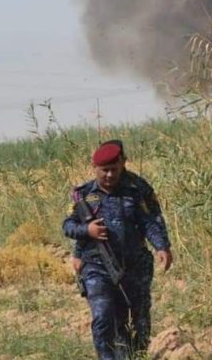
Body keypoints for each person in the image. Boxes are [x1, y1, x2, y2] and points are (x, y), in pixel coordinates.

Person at [64, 141, 173, 359]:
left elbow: (149, 221)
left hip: (133, 264)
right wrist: (88, 230)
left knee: (136, 317)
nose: (110, 175)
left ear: (122, 164)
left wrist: (162, 246)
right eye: (104, 170)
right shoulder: (84, 194)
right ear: (94, 168)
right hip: (96, 265)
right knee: (103, 315)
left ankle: (135, 354)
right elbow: (68, 225)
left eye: (114, 169)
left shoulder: (135, 190)